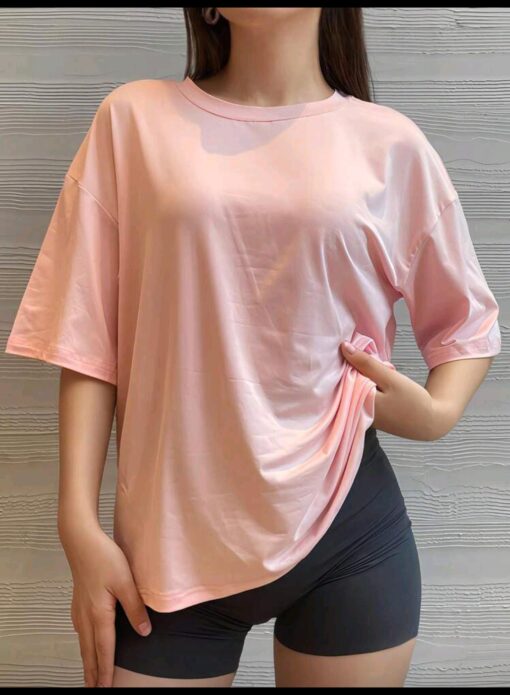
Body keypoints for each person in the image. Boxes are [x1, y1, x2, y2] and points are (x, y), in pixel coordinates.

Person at [4, 7, 501, 689]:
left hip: (349, 527)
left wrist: (437, 413)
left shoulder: (389, 144)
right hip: (169, 548)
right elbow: (86, 335)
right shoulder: (133, 120)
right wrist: (77, 526)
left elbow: (468, 322)